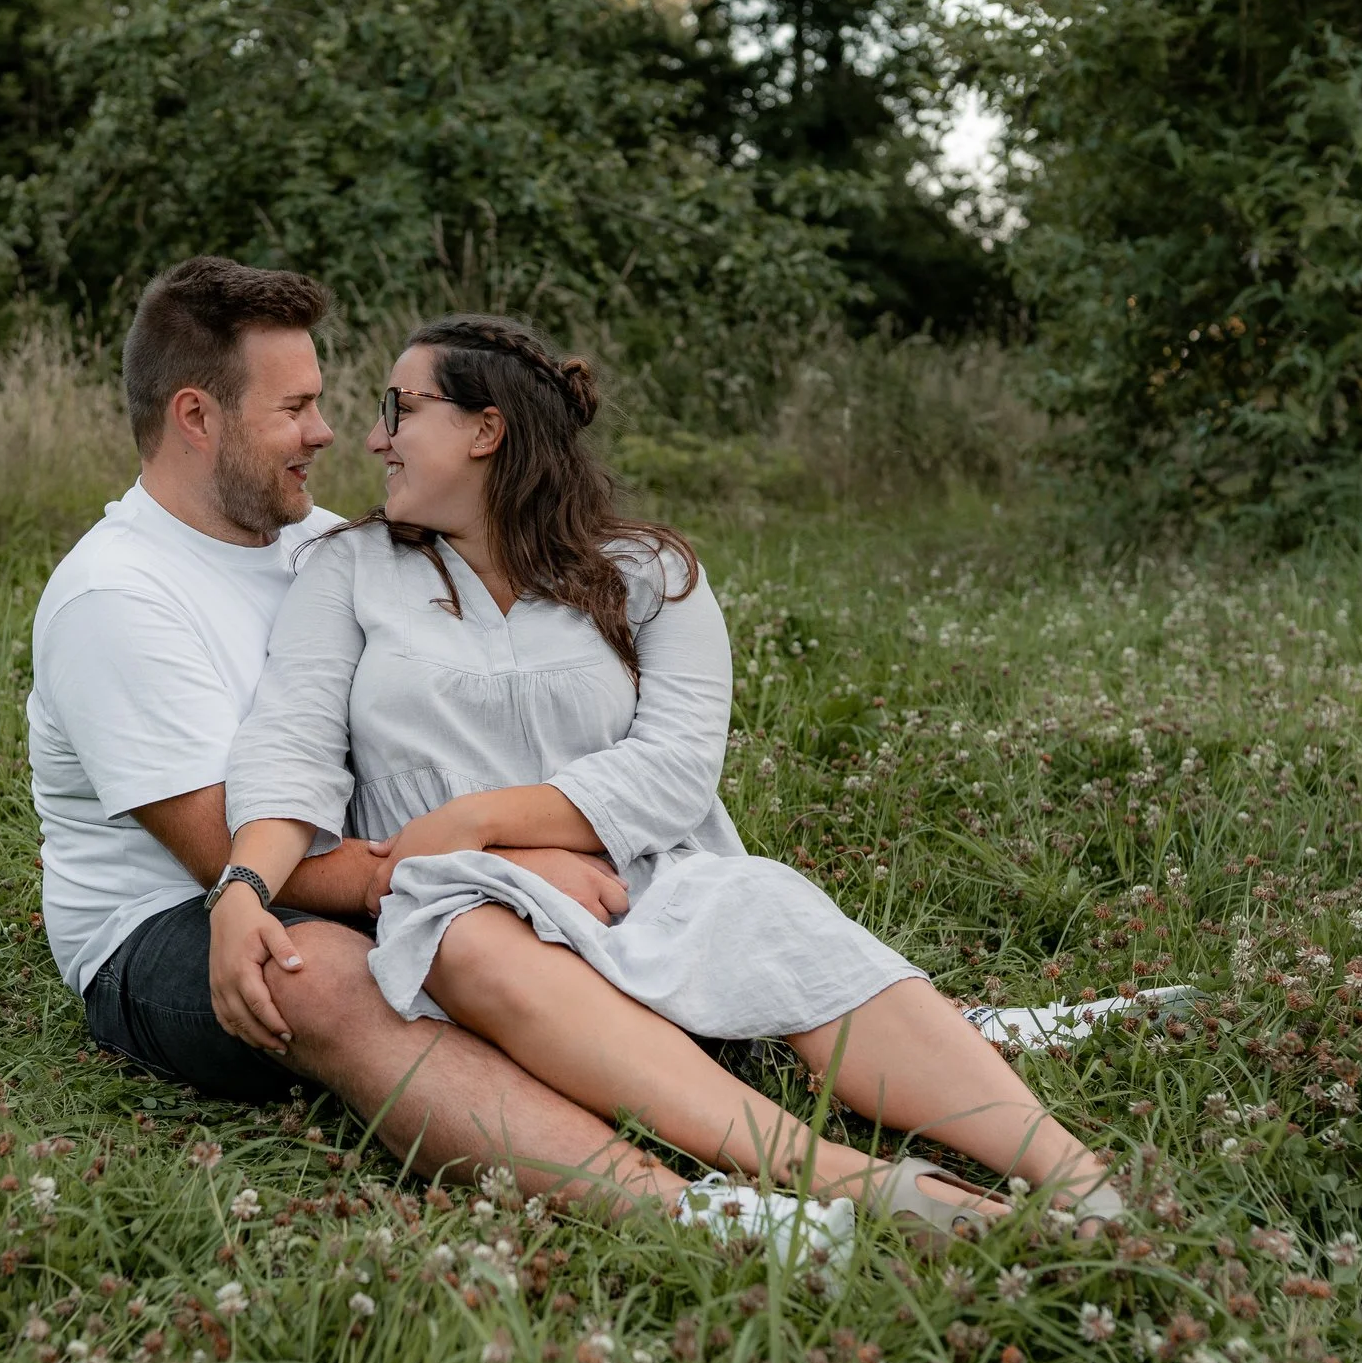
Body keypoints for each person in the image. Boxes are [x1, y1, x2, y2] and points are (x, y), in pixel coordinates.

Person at [209, 314, 1124, 1244]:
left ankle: (1079, 1180)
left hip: (645, 875)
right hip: (461, 902)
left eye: (398, 408)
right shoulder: (349, 569)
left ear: (486, 429)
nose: (373, 438)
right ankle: (862, 1182)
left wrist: (481, 819)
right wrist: (245, 885)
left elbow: (677, 766)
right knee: (465, 941)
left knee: (766, 903)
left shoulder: (648, 571)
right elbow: (291, 746)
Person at [28, 257, 698, 1214]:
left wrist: (514, 846)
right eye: (294, 407)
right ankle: (687, 1207)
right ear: (197, 417)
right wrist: (494, 864)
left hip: (389, 866)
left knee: (515, 923)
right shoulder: (117, 598)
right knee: (327, 978)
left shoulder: (330, 547)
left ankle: (782, 1051)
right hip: (177, 921)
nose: (328, 430)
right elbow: (224, 857)